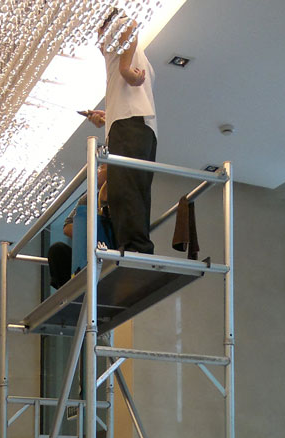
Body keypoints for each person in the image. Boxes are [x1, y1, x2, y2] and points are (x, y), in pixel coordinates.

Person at [84, 9, 157, 255]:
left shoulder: (115, 36)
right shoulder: (132, 55)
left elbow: (129, 24)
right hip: (140, 126)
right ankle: (137, 248)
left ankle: (135, 249)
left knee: (124, 189)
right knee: (134, 189)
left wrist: (125, 69)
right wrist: (108, 116)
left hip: (129, 122)